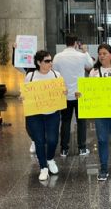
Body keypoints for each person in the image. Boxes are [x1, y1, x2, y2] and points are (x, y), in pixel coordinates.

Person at [77, 44, 111, 181]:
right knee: (102, 140)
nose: (101, 56)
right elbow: (89, 91)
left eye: (104, 53)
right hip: (100, 112)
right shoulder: (94, 72)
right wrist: (81, 95)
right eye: (99, 53)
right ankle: (103, 168)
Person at [24, 50, 64, 181]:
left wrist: (64, 92)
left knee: (52, 139)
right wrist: (22, 97)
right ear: (38, 62)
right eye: (47, 61)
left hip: (52, 113)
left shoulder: (56, 75)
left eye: (50, 60)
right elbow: (26, 94)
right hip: (35, 114)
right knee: (39, 140)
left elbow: (62, 90)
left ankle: (50, 159)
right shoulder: (30, 76)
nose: (50, 63)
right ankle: (43, 167)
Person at [52, 35, 93, 157]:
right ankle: (82, 148)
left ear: (66, 43)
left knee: (65, 121)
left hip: (64, 94)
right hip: (79, 94)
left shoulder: (58, 57)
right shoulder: (81, 56)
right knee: (81, 122)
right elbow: (90, 65)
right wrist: (85, 51)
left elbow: (54, 72)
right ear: (76, 43)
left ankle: (64, 149)